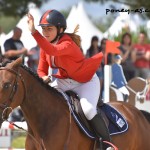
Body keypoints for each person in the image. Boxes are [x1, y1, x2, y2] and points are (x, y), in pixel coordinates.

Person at [27, 9, 113, 149]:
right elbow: (41, 69)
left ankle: (107, 143)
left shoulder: (67, 44)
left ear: (60, 30)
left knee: (88, 110)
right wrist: (43, 77)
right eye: (43, 29)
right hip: (64, 80)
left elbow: (52, 51)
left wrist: (34, 32)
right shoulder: (45, 47)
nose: (45, 32)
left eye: (49, 29)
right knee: (47, 99)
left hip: (85, 81)